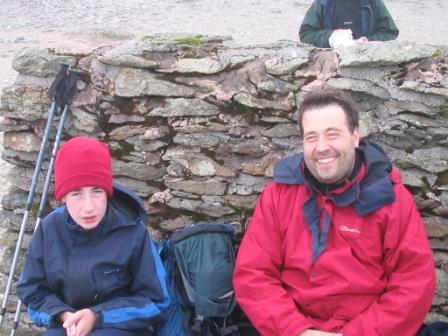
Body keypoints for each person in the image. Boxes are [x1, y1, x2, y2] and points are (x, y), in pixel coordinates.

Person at [233, 88, 436, 336]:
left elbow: (414, 281)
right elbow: (253, 274)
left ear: (355, 136)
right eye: (311, 137)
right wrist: (297, 330)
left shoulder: (391, 198)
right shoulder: (278, 195)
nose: (321, 147)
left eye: (332, 135)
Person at [17, 136, 170, 336]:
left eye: (97, 191)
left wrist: (97, 316)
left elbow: (156, 301)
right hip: (66, 326)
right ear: (62, 197)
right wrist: (63, 315)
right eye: (76, 193)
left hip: (120, 328)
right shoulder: (48, 229)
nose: (88, 207)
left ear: (108, 192)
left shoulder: (133, 232)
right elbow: (32, 292)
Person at [299, 0, 399, 48]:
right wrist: (330, 36)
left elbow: (390, 32)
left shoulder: (373, 2)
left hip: (366, 63)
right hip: (331, 65)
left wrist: (369, 40)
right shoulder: (323, 3)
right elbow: (306, 34)